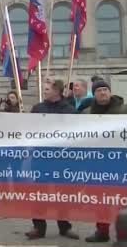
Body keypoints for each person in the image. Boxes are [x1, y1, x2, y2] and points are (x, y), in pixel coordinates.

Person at [81, 80, 127, 244]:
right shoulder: (87, 113)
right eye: (99, 91)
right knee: (100, 200)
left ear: (110, 92)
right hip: (97, 164)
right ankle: (102, 231)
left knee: (121, 201)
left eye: (105, 89)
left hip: (121, 163)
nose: (102, 93)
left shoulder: (126, 110)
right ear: (94, 94)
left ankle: (123, 236)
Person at [26, 79, 79, 240]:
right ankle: (38, 227)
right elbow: (29, 129)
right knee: (39, 193)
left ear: (57, 91)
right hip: (41, 158)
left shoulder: (69, 110)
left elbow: (76, 133)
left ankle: (64, 226)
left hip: (62, 159)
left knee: (62, 194)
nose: (45, 91)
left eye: (48, 89)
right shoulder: (37, 109)